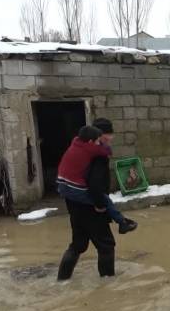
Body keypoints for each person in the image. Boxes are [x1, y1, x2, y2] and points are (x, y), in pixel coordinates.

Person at [57, 118, 121, 280]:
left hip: (74, 204)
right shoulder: (98, 156)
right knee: (106, 245)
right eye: (109, 134)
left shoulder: (80, 147)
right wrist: (100, 205)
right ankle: (108, 284)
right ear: (101, 136)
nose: (111, 138)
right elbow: (95, 185)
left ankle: (62, 280)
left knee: (78, 245)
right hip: (91, 205)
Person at [56, 125, 137, 234]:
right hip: (74, 188)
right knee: (105, 200)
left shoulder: (75, 143)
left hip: (62, 185)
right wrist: (100, 204)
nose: (100, 143)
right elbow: (106, 152)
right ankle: (122, 223)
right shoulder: (91, 149)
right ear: (90, 141)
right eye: (98, 141)